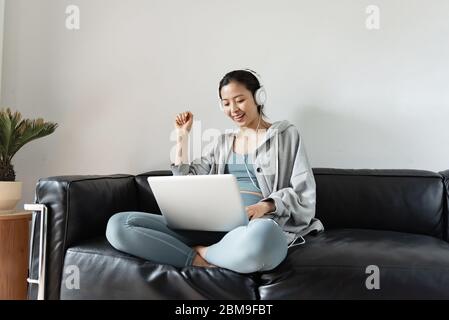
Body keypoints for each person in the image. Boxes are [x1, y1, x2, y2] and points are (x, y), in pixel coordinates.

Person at [106, 69, 324, 273]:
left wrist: (263, 206)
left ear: (258, 98)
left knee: (265, 237)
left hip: (252, 228)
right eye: (226, 103)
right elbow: (186, 182)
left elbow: (303, 193)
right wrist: (182, 137)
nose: (233, 109)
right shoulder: (221, 144)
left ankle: (206, 252)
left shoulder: (286, 136)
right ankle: (197, 260)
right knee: (119, 225)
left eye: (240, 100)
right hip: (208, 226)